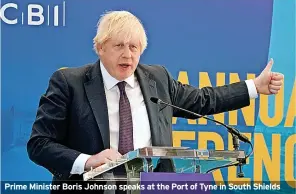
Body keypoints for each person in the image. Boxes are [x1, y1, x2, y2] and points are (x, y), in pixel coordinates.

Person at [27, 11, 284, 183]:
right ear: (100, 47)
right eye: (119, 46)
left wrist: (254, 87)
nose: (127, 55)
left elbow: (203, 100)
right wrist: (87, 161)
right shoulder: (69, 83)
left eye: (134, 47)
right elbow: (39, 144)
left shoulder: (157, 79)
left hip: (152, 186)